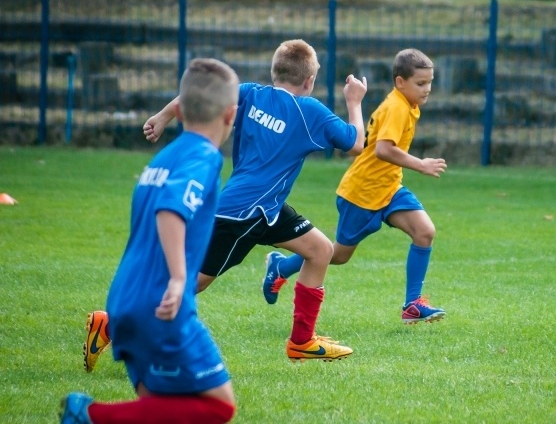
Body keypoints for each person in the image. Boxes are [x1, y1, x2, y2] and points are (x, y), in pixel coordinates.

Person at [83, 39, 367, 370]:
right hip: (244, 214)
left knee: (320, 249)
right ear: (309, 81)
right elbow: (355, 143)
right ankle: (110, 324)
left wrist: (162, 117)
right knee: (194, 283)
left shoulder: (250, 93)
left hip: (265, 208)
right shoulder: (309, 111)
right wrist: (354, 101)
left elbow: (202, 97)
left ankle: (301, 342)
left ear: (274, 72)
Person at [62, 59, 240, 424]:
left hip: (126, 297)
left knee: (161, 407)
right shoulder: (204, 156)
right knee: (219, 405)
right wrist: (178, 278)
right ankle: (88, 415)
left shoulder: (164, 157)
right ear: (230, 115)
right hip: (162, 303)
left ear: (180, 110)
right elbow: (171, 208)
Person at [262, 48, 447, 324]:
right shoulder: (396, 108)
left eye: (429, 82)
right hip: (362, 192)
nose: (427, 89)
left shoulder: (407, 105)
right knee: (336, 255)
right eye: (420, 83)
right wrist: (421, 164)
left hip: (389, 188)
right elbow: (383, 149)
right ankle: (281, 267)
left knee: (424, 232)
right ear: (400, 82)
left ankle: (413, 305)